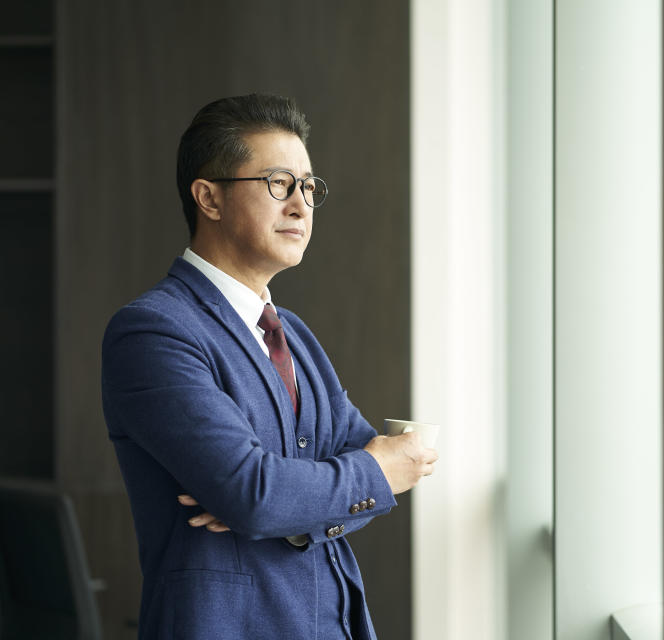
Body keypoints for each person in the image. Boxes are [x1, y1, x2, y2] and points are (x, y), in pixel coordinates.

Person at [101, 93, 437, 640]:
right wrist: (369, 474)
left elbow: (282, 492)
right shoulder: (153, 330)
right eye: (279, 184)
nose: (301, 205)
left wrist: (290, 509)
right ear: (208, 198)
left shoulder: (293, 333)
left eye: (308, 187)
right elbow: (256, 494)